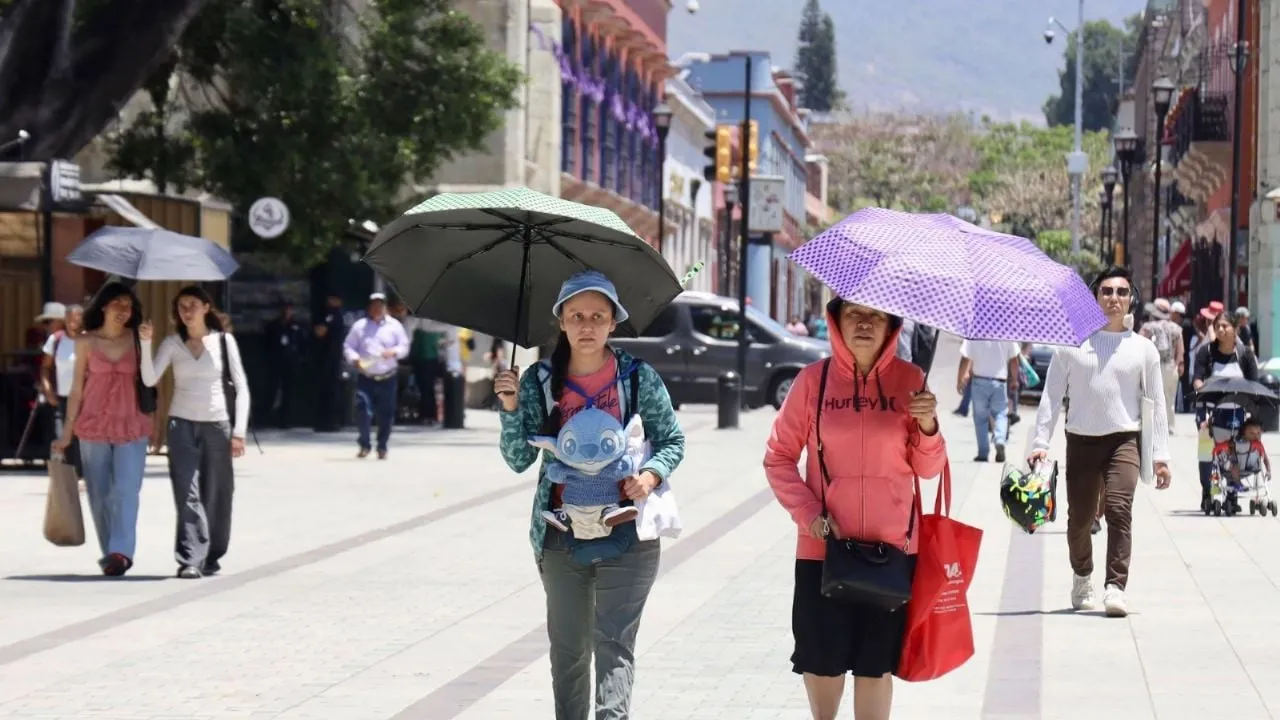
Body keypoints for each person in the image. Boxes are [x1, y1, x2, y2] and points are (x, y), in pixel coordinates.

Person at [494, 270, 685, 720]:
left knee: (615, 644)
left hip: (628, 532)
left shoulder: (638, 378)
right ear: (560, 321)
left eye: (598, 316)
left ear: (613, 323)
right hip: (560, 535)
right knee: (569, 652)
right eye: (576, 315)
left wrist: (651, 477)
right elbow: (519, 460)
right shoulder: (541, 381)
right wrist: (509, 409)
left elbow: (672, 439)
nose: (587, 325)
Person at [763, 297, 944, 720]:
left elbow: (929, 468)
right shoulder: (813, 382)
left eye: (875, 316)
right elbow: (778, 458)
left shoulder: (911, 380)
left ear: (891, 325)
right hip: (824, 552)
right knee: (822, 663)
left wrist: (928, 426)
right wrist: (810, 516)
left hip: (892, 554)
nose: (864, 324)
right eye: (854, 315)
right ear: (836, 322)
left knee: (875, 667)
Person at [1030, 266, 1171, 618]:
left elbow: (1157, 403)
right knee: (1079, 520)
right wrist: (1040, 442)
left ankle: (1115, 587)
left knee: (1120, 510)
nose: (1114, 298)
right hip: (1081, 441)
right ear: (1095, 298)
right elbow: (1050, 396)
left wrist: (1160, 455)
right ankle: (1082, 575)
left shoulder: (1143, 350)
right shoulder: (1071, 343)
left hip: (1124, 441)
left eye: (1122, 292)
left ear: (1131, 299)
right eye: (1107, 291)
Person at [139, 286, 250, 579]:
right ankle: (190, 557)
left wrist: (239, 432)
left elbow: (241, 388)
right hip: (181, 424)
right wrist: (146, 343)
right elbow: (150, 377)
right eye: (180, 307)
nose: (186, 311)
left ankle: (211, 552)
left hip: (217, 424)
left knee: (217, 491)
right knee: (186, 492)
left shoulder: (224, 342)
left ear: (205, 307)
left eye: (191, 305)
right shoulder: (172, 343)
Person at [51, 283, 153, 577]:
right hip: (93, 423)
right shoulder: (84, 341)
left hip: (132, 422)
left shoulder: (138, 339)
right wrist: (67, 433)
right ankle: (111, 551)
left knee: (127, 489)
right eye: (117, 303)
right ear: (104, 306)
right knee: (99, 491)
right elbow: (77, 390)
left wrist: (156, 424)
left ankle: (122, 551)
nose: (124, 310)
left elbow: (151, 382)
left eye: (128, 305)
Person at [1191, 310, 1258, 510]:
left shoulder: (1244, 355)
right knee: (1207, 454)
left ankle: (1231, 494)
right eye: (1217, 326)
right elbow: (1197, 377)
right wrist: (1200, 388)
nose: (1220, 330)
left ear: (1236, 329)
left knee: (1233, 453)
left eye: (1225, 326)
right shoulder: (1207, 352)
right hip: (1209, 410)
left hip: (1236, 411)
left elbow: (1252, 384)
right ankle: (1208, 492)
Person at [343, 293, 409, 458]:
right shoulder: (360, 326)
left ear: (385, 307)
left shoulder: (395, 326)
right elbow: (348, 346)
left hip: (388, 377)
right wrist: (354, 358)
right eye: (374, 305)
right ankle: (364, 444)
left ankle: (382, 446)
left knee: (386, 414)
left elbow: (404, 346)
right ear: (369, 307)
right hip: (367, 377)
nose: (377, 308)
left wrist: (394, 351)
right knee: (363, 409)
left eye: (380, 305)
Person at [957, 339, 1019, 463]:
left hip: (979, 381)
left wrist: (960, 379)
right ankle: (1000, 440)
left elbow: (965, 357)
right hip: (1000, 382)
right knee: (1001, 413)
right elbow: (1014, 360)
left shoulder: (976, 333)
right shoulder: (1007, 334)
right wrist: (1014, 379)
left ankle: (983, 453)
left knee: (980, 418)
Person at [41, 304, 84, 472]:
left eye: (77, 319)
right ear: (65, 319)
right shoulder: (56, 340)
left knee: (81, 439)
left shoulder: (87, 340)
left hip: (83, 398)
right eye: (70, 319)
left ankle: (80, 475)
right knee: (62, 438)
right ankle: (64, 476)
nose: (74, 323)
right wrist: (48, 390)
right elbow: (45, 368)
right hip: (63, 398)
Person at [1139, 298, 1183, 433]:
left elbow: (1139, 345)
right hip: (1170, 365)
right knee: (1170, 397)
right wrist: (1179, 364)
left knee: (1153, 395)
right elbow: (1180, 350)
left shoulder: (1147, 327)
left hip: (1153, 365)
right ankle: (1169, 425)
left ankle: (1155, 423)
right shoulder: (1176, 328)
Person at [263, 301, 307, 428]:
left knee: (289, 391)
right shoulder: (273, 326)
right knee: (272, 389)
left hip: (291, 362)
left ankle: (286, 420)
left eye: (289, 310)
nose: (287, 312)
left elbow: (302, 343)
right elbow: (267, 343)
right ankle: (267, 419)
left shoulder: (297, 327)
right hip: (276, 361)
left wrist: (300, 357)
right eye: (285, 309)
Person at [312, 294, 347, 432]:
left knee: (329, 389)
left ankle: (328, 421)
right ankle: (331, 421)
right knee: (332, 388)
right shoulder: (338, 315)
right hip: (333, 356)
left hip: (329, 357)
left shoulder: (332, 315)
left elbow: (320, 332)